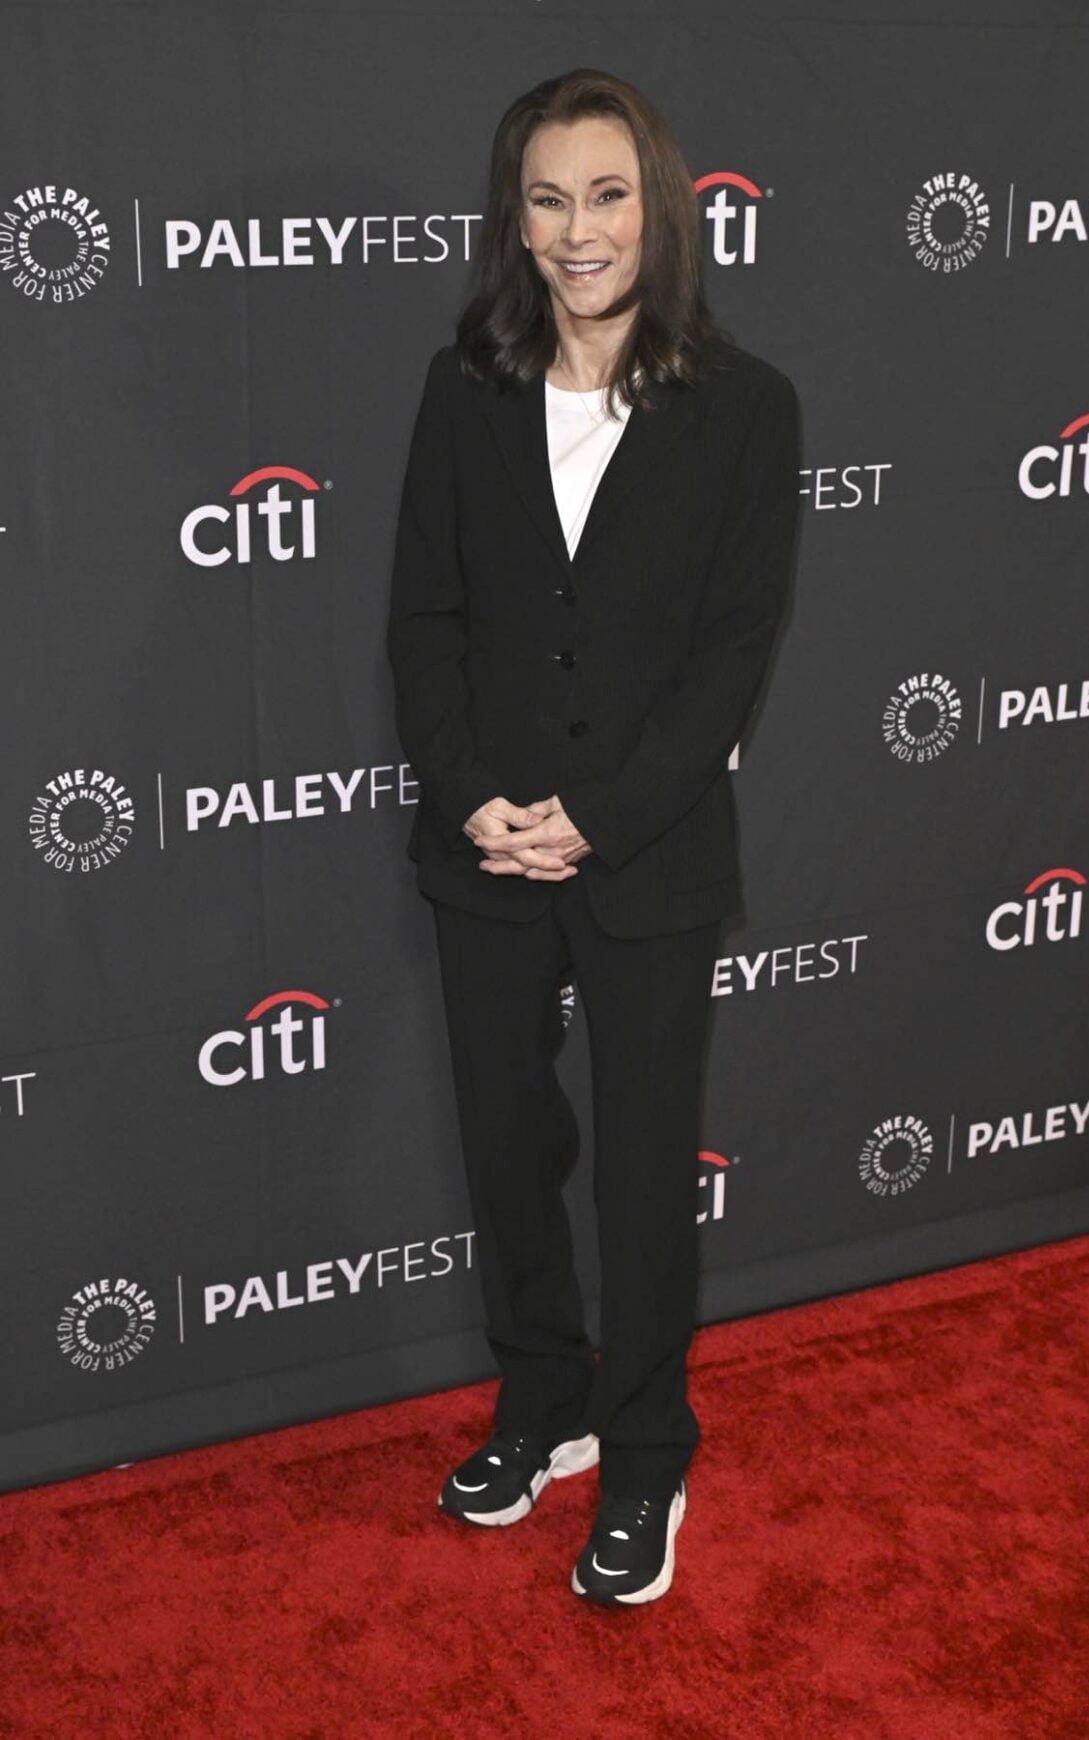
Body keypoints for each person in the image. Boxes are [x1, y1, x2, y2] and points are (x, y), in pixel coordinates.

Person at [386, 66, 802, 1606]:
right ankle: (544, 1402)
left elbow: (728, 662)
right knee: (508, 1153)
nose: (580, 230)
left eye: (608, 195)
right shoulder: (464, 387)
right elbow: (423, 615)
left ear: (660, 207)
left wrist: (600, 820)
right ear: (515, 217)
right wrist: (468, 792)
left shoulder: (748, 410)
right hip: (483, 849)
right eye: (549, 198)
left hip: (648, 857)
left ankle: (642, 1454)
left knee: (640, 1169)